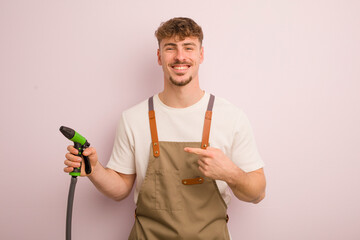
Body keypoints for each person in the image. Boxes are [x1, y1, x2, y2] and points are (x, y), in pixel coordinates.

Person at [64, 17, 266, 239]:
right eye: (171, 48)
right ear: (160, 57)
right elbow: (120, 189)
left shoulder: (232, 117)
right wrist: (95, 170)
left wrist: (232, 174)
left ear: (201, 55)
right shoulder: (133, 118)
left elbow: (258, 193)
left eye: (188, 47)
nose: (180, 56)